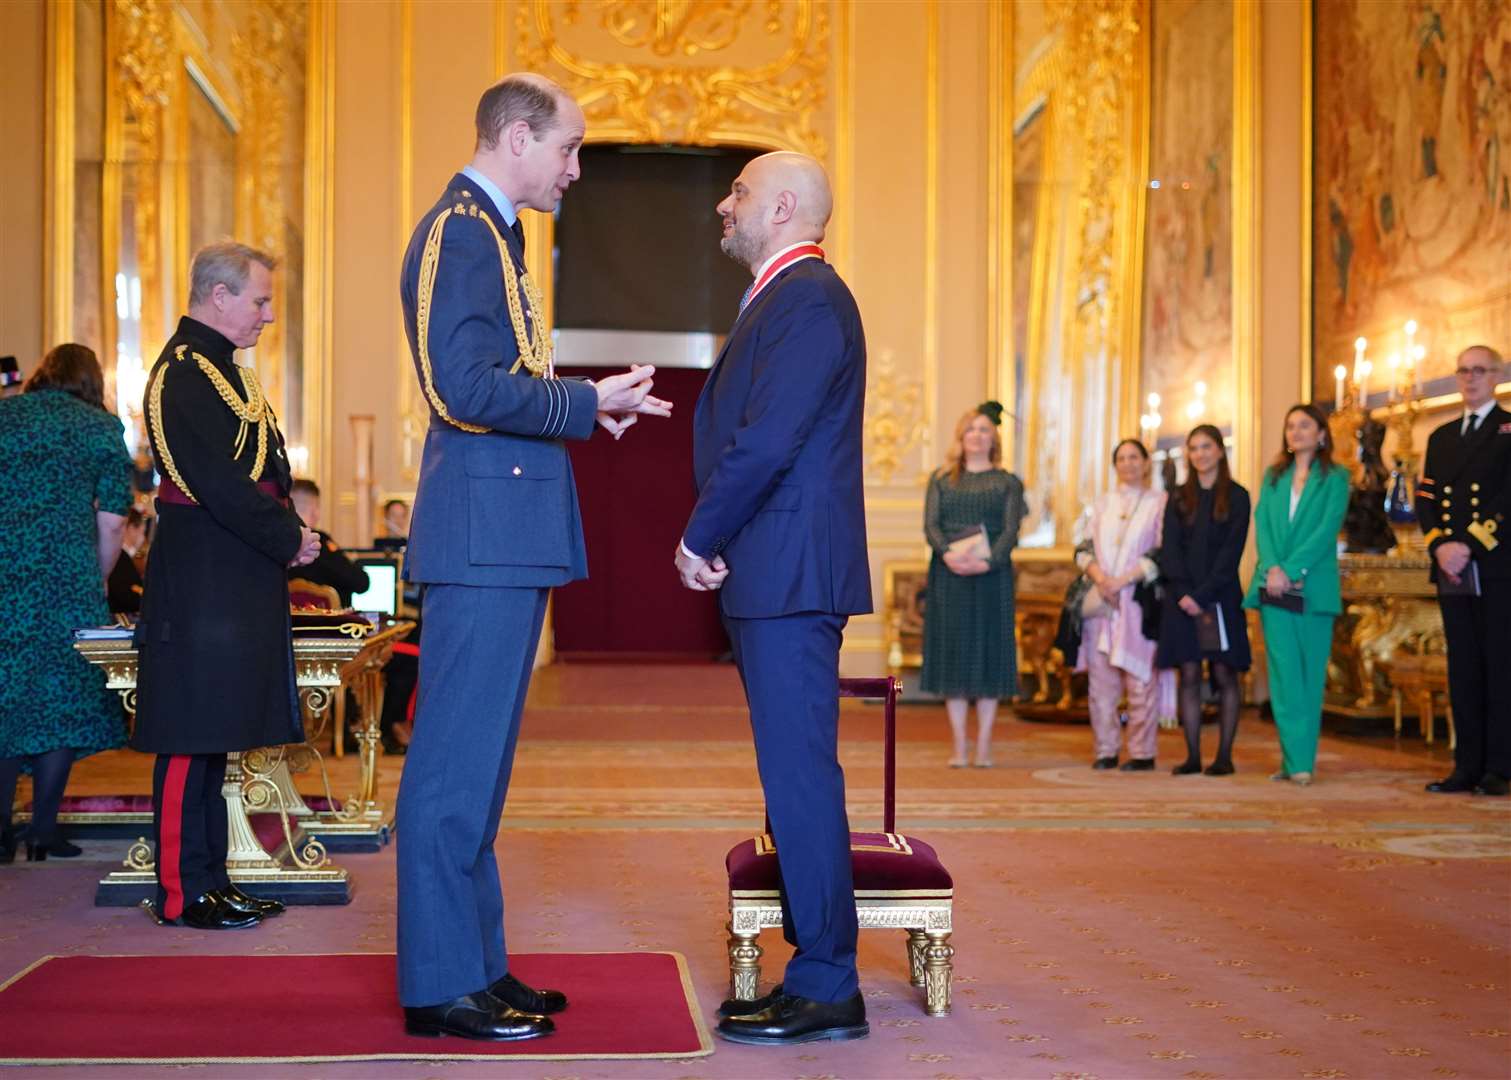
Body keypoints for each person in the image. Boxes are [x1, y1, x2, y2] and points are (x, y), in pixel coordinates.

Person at [395, 73, 671, 1042]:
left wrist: (593, 401)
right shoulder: (458, 232)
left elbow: (495, 380)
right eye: (568, 148)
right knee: (450, 767)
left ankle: (475, 964)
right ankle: (438, 985)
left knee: (482, 766)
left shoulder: (490, 232)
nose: (575, 168)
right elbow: (460, 386)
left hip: (499, 536)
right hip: (479, 537)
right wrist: (581, 406)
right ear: (516, 137)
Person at [674, 150, 872, 1047]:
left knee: (799, 777)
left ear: (783, 206)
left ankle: (829, 982)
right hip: (778, 566)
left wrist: (697, 536)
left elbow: (766, 442)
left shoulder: (809, 299)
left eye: (740, 192)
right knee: (789, 777)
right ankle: (814, 967)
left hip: (790, 572)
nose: (726, 203)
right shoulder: (781, 298)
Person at [134, 241, 321, 929]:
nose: (267, 315)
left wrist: (296, 537)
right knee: (191, 735)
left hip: (233, 573)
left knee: (215, 736)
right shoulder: (183, 375)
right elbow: (216, 485)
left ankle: (212, 879)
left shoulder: (224, 373)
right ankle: (184, 891)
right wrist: (284, 536)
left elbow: (262, 472)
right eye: (260, 300)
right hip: (202, 577)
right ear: (219, 296)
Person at [0, 344, 132, 863]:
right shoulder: (99, 428)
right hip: (66, 578)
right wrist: (97, 577)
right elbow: (115, 520)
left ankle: (0, 831)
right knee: (62, 699)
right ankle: (44, 829)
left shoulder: (5, 415)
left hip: (6, 576)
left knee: (6, 697)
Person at [1419, 345, 1510, 797]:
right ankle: (1465, 766)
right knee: (1463, 667)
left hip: (1495, 567)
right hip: (1451, 571)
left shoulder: (1509, 429)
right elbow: (1426, 500)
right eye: (1463, 371)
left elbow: (1507, 500)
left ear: (1496, 376)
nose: (1470, 378)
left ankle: (1499, 767)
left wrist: (1468, 544)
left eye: (1479, 370)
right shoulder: (1441, 437)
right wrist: (1439, 545)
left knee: (1499, 665)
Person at [1244, 404, 1350, 786]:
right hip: (1272, 587)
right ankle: (1293, 761)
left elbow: (1326, 529)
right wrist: (1273, 567)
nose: (1296, 432)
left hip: (1313, 589)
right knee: (1283, 676)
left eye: (1304, 425)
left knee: (1308, 677)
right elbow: (1264, 527)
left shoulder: (1336, 478)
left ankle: (1302, 758)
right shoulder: (1274, 478)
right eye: (1290, 426)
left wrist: (1292, 570)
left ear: (1322, 433)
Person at [919, 403, 1028, 767]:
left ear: (993, 437)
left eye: (983, 430)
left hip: (991, 578)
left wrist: (987, 560)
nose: (977, 436)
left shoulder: (1008, 482)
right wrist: (950, 555)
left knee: (988, 655)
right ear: (961, 437)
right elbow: (931, 525)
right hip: (949, 577)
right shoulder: (941, 478)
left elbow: (1012, 530)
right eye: (971, 430)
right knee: (954, 656)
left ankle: (983, 744)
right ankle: (959, 745)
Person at [1075, 439, 1177, 770]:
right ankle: (1105, 749)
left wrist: (1124, 580)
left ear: (1146, 463)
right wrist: (1102, 579)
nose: (1128, 463)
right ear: (1114, 464)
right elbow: (1082, 548)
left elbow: (1163, 551)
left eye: (1135, 457)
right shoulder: (1101, 504)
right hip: (1103, 603)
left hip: (1138, 603)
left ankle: (1142, 752)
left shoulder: (1159, 503)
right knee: (1101, 683)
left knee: (1140, 679)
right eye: (1122, 458)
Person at [1158, 424, 1251, 776]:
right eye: (1194, 448)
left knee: (1226, 675)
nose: (1200, 454)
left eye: (1206, 447)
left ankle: (1224, 756)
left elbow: (1232, 553)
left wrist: (1204, 594)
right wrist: (1184, 593)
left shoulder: (1238, 496)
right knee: (1190, 674)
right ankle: (1193, 755)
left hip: (1221, 597)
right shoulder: (1179, 496)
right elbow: (1170, 550)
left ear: (1220, 451)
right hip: (1181, 599)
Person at [288, 478, 370, 607]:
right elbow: (361, 583)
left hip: (286, 626)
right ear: (315, 511)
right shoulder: (319, 542)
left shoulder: (275, 542)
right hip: (329, 625)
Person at [107, 506, 150, 614]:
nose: (143, 538)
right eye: (142, 532)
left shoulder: (123, 556)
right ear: (131, 529)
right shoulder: (120, 557)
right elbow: (126, 596)